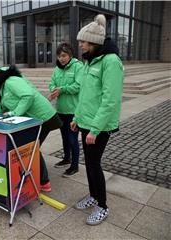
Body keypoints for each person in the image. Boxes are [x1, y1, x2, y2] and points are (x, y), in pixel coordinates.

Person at [71, 14, 124, 225]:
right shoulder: (90, 61)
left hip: (99, 126)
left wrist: (94, 129)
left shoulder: (111, 62)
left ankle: (102, 205)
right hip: (86, 122)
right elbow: (85, 95)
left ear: (94, 42)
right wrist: (77, 118)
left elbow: (109, 101)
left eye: (83, 41)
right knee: (89, 163)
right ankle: (93, 196)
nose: (80, 45)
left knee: (94, 164)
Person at [0, 65, 63, 192]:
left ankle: (44, 182)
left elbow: (28, 95)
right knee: (31, 147)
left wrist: (14, 113)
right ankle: (37, 177)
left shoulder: (11, 81)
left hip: (45, 117)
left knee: (31, 148)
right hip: (35, 120)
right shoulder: (0, 90)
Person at [49, 42, 83, 177]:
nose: (61, 59)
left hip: (73, 111)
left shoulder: (78, 67)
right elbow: (52, 83)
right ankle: (66, 158)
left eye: (63, 55)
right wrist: (53, 89)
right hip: (61, 110)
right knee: (64, 137)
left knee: (72, 139)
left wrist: (62, 89)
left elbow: (78, 86)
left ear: (70, 55)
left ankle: (74, 166)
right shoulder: (57, 69)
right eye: (59, 56)